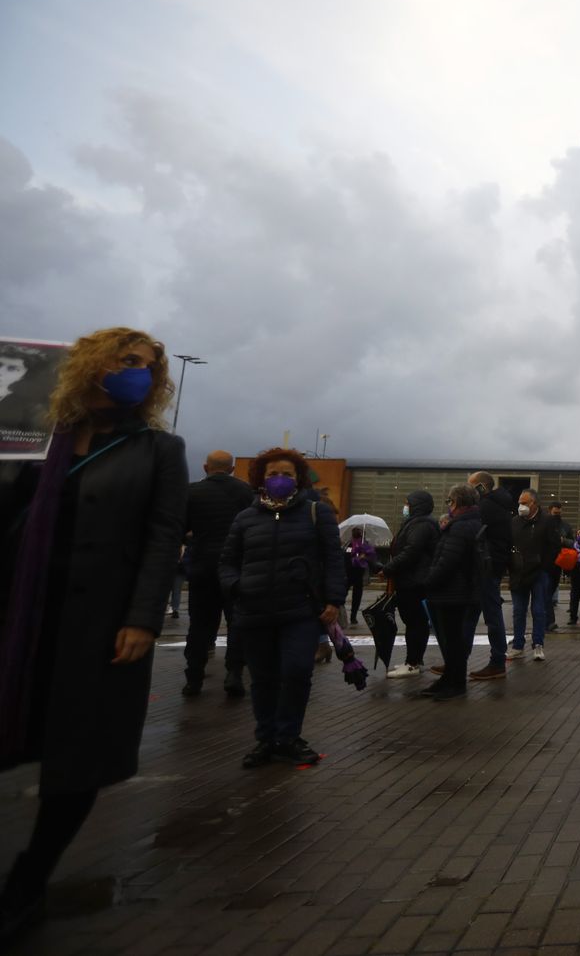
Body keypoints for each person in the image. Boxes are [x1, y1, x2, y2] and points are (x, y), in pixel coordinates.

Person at [0, 328, 186, 947]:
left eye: (148, 367)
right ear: (92, 365)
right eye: (127, 361)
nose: (138, 373)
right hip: (23, 612)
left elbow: (162, 539)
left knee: (77, 757)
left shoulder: (157, 449)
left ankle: (28, 881)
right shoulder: (36, 441)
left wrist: (142, 617)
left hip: (102, 623)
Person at [218, 447, 343, 769]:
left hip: (300, 610)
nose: (279, 480)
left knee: (297, 671)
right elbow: (227, 561)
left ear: (298, 479)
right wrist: (236, 587)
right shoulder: (246, 518)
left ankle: (289, 736)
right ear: (261, 478)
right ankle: (266, 738)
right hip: (255, 610)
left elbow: (332, 558)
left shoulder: (317, 513)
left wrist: (334, 600)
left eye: (286, 474)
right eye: (273, 474)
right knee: (262, 678)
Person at [182, 450, 257, 697]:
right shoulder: (246, 492)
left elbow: (180, 528)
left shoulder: (191, 492)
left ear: (205, 467)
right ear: (233, 469)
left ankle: (193, 677)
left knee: (200, 624)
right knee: (237, 622)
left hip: (202, 565)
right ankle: (234, 672)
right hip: (237, 567)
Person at [416, 484, 485, 702]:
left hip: (452, 591)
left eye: (449, 501)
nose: (448, 506)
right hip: (461, 590)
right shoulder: (472, 523)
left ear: (456, 503)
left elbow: (447, 561)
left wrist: (427, 581)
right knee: (454, 638)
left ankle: (454, 682)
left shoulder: (460, 527)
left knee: (452, 640)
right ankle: (449, 679)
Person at [380, 490, 439, 678]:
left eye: (408, 503)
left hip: (413, 582)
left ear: (416, 505)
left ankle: (412, 662)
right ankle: (413, 660)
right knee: (416, 623)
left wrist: (388, 568)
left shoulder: (421, 524)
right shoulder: (417, 523)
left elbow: (411, 551)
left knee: (415, 623)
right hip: (412, 580)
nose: (405, 507)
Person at [463, 471, 512, 679]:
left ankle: (497, 661)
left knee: (490, 614)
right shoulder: (497, 505)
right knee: (472, 616)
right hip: (490, 566)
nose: (468, 490)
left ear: (481, 487)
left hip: (486, 567)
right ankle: (457, 659)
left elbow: (470, 529)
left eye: (471, 486)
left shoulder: (486, 507)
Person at [508, 490, 560, 662]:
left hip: (539, 572)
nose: (521, 506)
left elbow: (554, 546)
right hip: (518, 572)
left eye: (525, 502)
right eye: (520, 502)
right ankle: (517, 646)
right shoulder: (515, 522)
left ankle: (538, 644)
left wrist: (545, 567)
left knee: (538, 610)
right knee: (518, 610)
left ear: (534, 503)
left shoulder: (547, 521)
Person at [547, 501, 574, 634]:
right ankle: (549, 621)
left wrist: (564, 541)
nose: (557, 514)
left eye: (559, 512)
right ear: (549, 510)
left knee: (548, 591)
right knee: (545, 592)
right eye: (555, 512)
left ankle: (549, 621)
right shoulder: (544, 524)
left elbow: (572, 542)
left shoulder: (565, 526)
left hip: (559, 562)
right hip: (546, 562)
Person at [343, 526, 376, 624]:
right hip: (349, 573)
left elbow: (371, 557)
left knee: (357, 596)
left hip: (358, 574)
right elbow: (346, 556)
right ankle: (342, 612)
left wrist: (364, 555)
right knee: (343, 595)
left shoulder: (364, 544)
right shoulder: (349, 544)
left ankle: (353, 616)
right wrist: (355, 556)